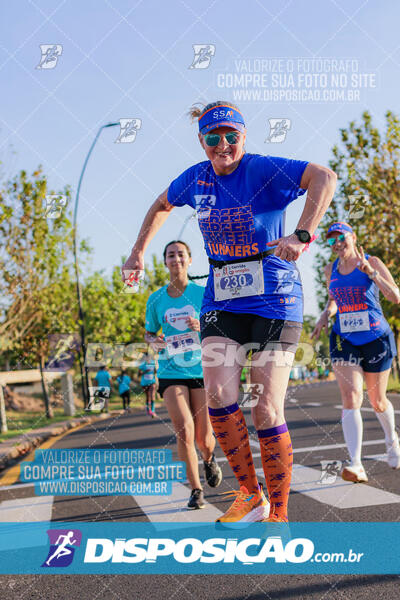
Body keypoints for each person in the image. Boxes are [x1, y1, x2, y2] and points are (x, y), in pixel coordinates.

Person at [123, 100, 336, 522]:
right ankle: (250, 494)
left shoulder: (263, 169)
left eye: (231, 136)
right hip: (222, 294)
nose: (223, 144)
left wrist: (303, 232)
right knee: (219, 396)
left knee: (266, 407)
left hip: (275, 293)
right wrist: (137, 252)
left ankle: (279, 510)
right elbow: (162, 204)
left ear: (243, 136)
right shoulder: (195, 178)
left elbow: (324, 177)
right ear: (201, 141)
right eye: (213, 137)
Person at [312, 222, 400, 482]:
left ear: (353, 236)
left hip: (375, 337)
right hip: (344, 338)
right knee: (351, 396)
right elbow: (333, 301)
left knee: (377, 401)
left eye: (341, 238)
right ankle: (356, 464)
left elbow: (395, 296)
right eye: (331, 241)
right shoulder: (330, 269)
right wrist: (324, 315)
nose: (337, 244)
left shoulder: (372, 261)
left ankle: (392, 438)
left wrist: (371, 272)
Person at [143, 240, 223, 509]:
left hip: (201, 369)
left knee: (204, 438)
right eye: (170, 255)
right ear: (165, 261)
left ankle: (209, 459)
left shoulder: (202, 294)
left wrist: (202, 325)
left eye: (180, 254)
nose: (175, 259)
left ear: (189, 260)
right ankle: (196, 490)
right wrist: (153, 342)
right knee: (184, 431)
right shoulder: (155, 299)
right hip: (170, 369)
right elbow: (149, 333)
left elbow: (219, 326)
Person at [138, 352, 157, 417]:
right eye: (145, 357)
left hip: (152, 382)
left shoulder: (153, 363)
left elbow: (155, 371)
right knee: (148, 397)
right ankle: (148, 410)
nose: (147, 358)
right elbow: (139, 374)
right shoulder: (142, 364)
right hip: (144, 383)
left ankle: (153, 411)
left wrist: (156, 370)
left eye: (148, 357)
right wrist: (145, 371)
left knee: (152, 395)